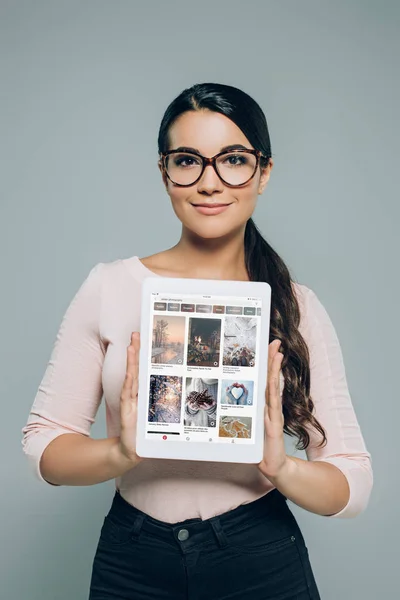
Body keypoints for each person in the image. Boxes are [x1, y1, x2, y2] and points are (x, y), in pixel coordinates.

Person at [22, 82, 373, 600]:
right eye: (188, 161)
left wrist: (279, 466)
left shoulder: (295, 304)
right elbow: (44, 445)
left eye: (233, 159)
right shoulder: (110, 287)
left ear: (264, 172)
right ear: (165, 173)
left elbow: (352, 483)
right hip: (132, 558)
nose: (210, 182)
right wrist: (121, 453)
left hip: (259, 554)